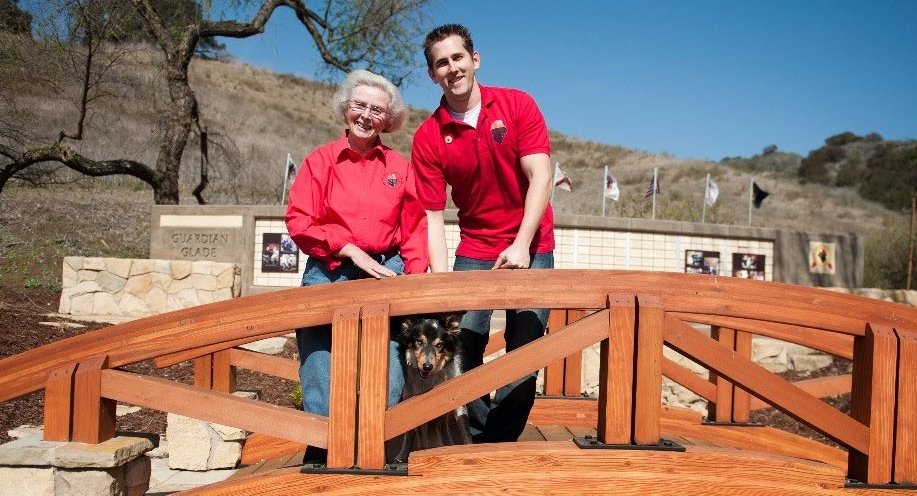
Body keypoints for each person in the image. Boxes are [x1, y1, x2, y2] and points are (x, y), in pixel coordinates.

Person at [411, 24, 555, 443]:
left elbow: (541, 176)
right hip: (475, 247)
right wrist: (440, 281)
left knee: (525, 350)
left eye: (458, 57)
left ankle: (498, 441)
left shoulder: (516, 104)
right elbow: (432, 218)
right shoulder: (428, 137)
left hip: (533, 242)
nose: (452, 68)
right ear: (432, 74)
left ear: (475, 59)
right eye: (441, 63)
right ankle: (476, 434)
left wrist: (523, 244)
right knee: (459, 346)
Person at [285, 69, 427, 463]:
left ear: (389, 119)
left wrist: (413, 281)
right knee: (321, 364)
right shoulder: (320, 162)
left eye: (377, 110)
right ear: (345, 108)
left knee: (389, 364)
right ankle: (323, 446)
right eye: (359, 105)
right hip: (329, 268)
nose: (366, 115)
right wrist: (346, 248)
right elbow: (299, 220)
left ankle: (379, 444)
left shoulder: (399, 166)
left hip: (386, 270)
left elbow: (413, 228)